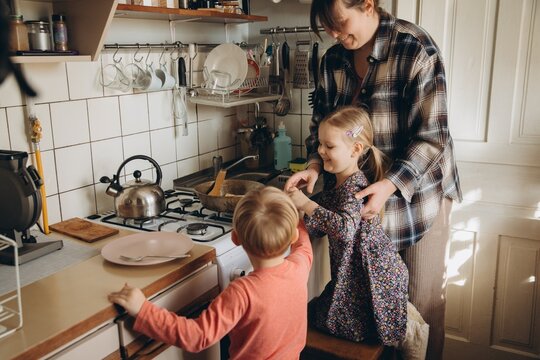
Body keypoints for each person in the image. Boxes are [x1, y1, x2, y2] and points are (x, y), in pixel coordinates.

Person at [285, 1, 462, 358]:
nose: (333, 34)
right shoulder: (333, 60)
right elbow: (320, 126)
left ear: (367, 4)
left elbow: (433, 138)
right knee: (369, 313)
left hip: (416, 199)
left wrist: (390, 185)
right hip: (360, 205)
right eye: (327, 26)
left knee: (418, 311)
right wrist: (315, 167)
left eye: (338, 22)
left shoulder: (415, 49)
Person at [108, 187, 313, 359]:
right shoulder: (299, 267)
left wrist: (143, 310)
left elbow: (198, 336)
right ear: (292, 235)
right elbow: (304, 245)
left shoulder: (242, 292)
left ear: (235, 238)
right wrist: (300, 217)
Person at [287, 106, 409, 347]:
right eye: (320, 144)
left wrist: (305, 204)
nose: (320, 151)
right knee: (323, 315)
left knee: (334, 323)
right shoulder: (340, 182)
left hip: (372, 277)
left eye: (329, 146)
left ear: (355, 149)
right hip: (352, 277)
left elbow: (343, 228)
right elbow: (324, 213)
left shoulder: (355, 188)